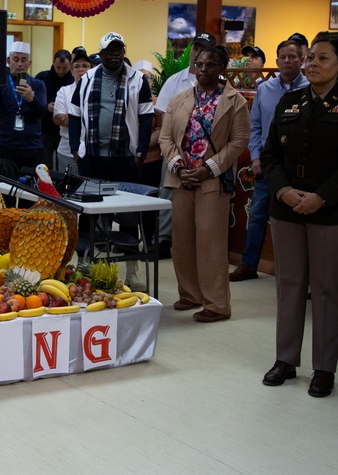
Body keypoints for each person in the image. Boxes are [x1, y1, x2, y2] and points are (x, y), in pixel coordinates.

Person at [260, 38, 338, 397]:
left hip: (332, 211)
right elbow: (270, 156)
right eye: (310, 57)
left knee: (327, 289)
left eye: (322, 58)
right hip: (288, 208)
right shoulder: (290, 102)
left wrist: (321, 197)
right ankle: (286, 359)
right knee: (289, 285)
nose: (312, 63)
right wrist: (284, 191)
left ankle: (324, 367)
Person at [160, 44, 249, 322]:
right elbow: (165, 138)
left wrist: (208, 168)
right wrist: (178, 166)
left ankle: (217, 304)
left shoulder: (235, 101)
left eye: (210, 65)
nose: (203, 70)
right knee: (182, 239)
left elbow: (238, 142)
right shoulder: (180, 99)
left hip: (212, 179)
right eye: (199, 64)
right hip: (181, 177)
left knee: (211, 242)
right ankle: (190, 293)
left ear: (223, 69)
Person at [70, 32, 154, 287]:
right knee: (89, 216)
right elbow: (74, 115)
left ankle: (131, 272)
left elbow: (147, 116)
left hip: (124, 159)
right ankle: (85, 267)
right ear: (102, 53)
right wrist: (76, 148)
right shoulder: (86, 79)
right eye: (110, 50)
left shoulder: (138, 80)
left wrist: (140, 153)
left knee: (128, 216)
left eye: (119, 50)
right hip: (92, 160)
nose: (115, 54)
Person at [231, 39, 309, 282]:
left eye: (292, 57)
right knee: (256, 216)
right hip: (266, 165)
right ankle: (249, 265)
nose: (287, 61)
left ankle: (298, 274)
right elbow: (254, 127)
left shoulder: (309, 88)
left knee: (297, 223)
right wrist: (255, 157)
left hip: (296, 168)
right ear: (276, 61)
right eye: (283, 57)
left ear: (301, 60)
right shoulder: (265, 89)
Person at [151, 31, 218, 259]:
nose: (198, 53)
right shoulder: (175, 81)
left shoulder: (221, 87)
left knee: (203, 198)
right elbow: (161, 119)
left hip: (207, 154)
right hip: (175, 151)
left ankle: (197, 244)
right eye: (196, 48)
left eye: (203, 49)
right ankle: (162, 239)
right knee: (167, 194)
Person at [0, 41, 47, 172]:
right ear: (8, 61)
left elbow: (42, 113)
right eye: (15, 59)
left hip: (32, 148)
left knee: (31, 190)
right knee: (3, 189)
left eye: (24, 60)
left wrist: (31, 99)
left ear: (29, 64)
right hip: (4, 147)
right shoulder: (0, 84)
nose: (19, 64)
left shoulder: (38, 85)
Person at [52, 48, 90, 173]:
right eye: (77, 66)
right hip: (66, 152)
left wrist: (72, 118)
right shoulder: (64, 91)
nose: (81, 70)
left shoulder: (98, 93)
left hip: (91, 153)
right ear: (72, 70)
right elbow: (58, 118)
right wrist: (85, 119)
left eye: (85, 66)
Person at [35, 49, 74, 168]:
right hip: (46, 130)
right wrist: (47, 106)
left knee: (63, 166)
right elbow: (34, 101)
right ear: (53, 62)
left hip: (65, 131)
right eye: (58, 67)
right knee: (46, 165)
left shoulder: (73, 81)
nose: (61, 71)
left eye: (64, 68)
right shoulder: (43, 77)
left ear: (70, 65)